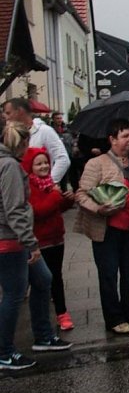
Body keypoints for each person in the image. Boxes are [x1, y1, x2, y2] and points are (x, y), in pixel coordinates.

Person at [0, 122, 72, 370]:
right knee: (13, 295)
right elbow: (14, 209)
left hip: (15, 238)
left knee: (43, 279)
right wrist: (31, 244)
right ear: (20, 144)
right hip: (11, 240)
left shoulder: (9, 163)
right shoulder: (8, 165)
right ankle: (5, 352)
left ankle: (43, 336)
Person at [75, 119, 129, 335]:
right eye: (125, 136)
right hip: (106, 229)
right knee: (109, 275)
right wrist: (99, 208)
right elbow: (81, 194)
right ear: (112, 139)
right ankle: (114, 318)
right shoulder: (97, 163)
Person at [23, 147, 76, 331]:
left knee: (56, 277)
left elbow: (56, 208)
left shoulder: (49, 183)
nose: (44, 166)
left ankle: (62, 313)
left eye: (46, 162)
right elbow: (39, 211)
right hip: (39, 242)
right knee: (41, 282)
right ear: (30, 166)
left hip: (56, 238)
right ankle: (42, 320)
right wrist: (55, 195)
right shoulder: (28, 187)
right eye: (39, 163)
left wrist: (68, 200)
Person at [3, 98, 71, 183]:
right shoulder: (9, 133)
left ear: (20, 111)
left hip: (38, 191)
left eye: (8, 113)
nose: (6, 117)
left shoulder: (45, 131)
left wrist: (48, 183)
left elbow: (63, 159)